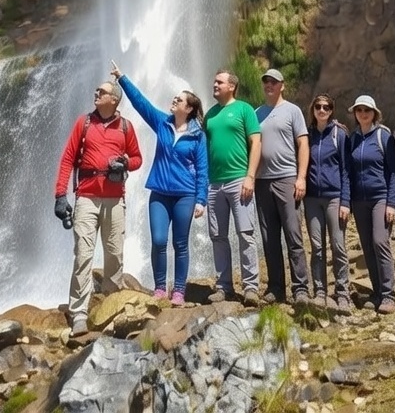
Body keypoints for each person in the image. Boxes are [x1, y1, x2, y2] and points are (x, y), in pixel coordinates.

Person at [110, 62, 208, 306]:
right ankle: (161, 287)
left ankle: (180, 291)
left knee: (181, 243)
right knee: (158, 241)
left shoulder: (198, 135)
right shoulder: (162, 123)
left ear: (189, 108)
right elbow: (141, 103)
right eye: (175, 98)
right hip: (159, 194)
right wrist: (122, 78)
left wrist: (201, 199)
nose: (174, 101)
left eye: (179, 100)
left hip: (185, 194)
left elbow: (203, 169)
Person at [54, 78, 143, 335]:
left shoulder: (125, 127)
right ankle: (79, 313)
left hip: (115, 198)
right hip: (86, 197)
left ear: (114, 99)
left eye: (101, 91)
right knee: (83, 252)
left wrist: (125, 164)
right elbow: (68, 158)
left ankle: (111, 305)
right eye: (97, 90)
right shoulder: (84, 123)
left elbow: (137, 158)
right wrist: (61, 195)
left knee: (114, 253)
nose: (96, 92)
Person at [203, 69, 262, 305]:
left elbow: (256, 143)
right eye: (214, 81)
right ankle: (223, 286)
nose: (215, 84)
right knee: (217, 236)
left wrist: (250, 176)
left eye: (219, 82)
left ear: (232, 86)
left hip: (239, 179)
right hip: (214, 183)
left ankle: (250, 287)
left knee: (245, 233)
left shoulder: (244, 109)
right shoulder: (210, 115)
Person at [254, 68, 311, 304]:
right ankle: (276, 287)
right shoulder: (256, 113)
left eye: (274, 82)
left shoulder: (293, 110)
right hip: (262, 181)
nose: (269, 85)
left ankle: (300, 288)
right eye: (266, 81)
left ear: (282, 85)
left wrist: (301, 177)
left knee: (293, 234)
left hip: (287, 178)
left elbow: (303, 145)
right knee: (269, 238)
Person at [348, 93, 395, 314]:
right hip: (359, 201)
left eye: (367, 110)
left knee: (380, 242)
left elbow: (393, 172)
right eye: (359, 110)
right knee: (367, 246)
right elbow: (348, 172)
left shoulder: (384, 136)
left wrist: (392, 203)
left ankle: (389, 294)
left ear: (374, 113)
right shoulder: (352, 138)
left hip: (380, 197)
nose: (363, 114)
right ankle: (377, 292)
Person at [304, 92, 351, 312]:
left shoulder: (339, 135)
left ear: (332, 110)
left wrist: (345, 201)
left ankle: (342, 293)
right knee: (317, 246)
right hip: (312, 198)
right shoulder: (307, 135)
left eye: (326, 107)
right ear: (313, 110)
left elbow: (345, 170)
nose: (322, 110)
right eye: (318, 107)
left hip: (334, 197)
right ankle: (320, 291)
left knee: (338, 246)